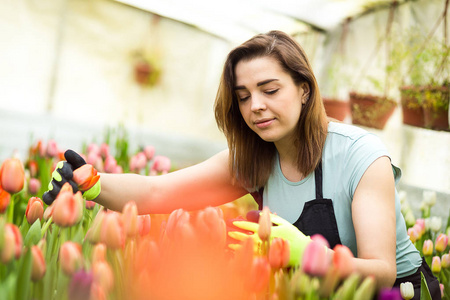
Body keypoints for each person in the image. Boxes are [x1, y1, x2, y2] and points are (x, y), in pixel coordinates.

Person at [43, 30, 440, 298]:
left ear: (304, 90)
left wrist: (306, 253)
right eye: (244, 96)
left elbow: (383, 271)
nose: (256, 106)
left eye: (270, 90)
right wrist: (90, 181)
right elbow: (157, 192)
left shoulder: (361, 155)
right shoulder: (253, 159)